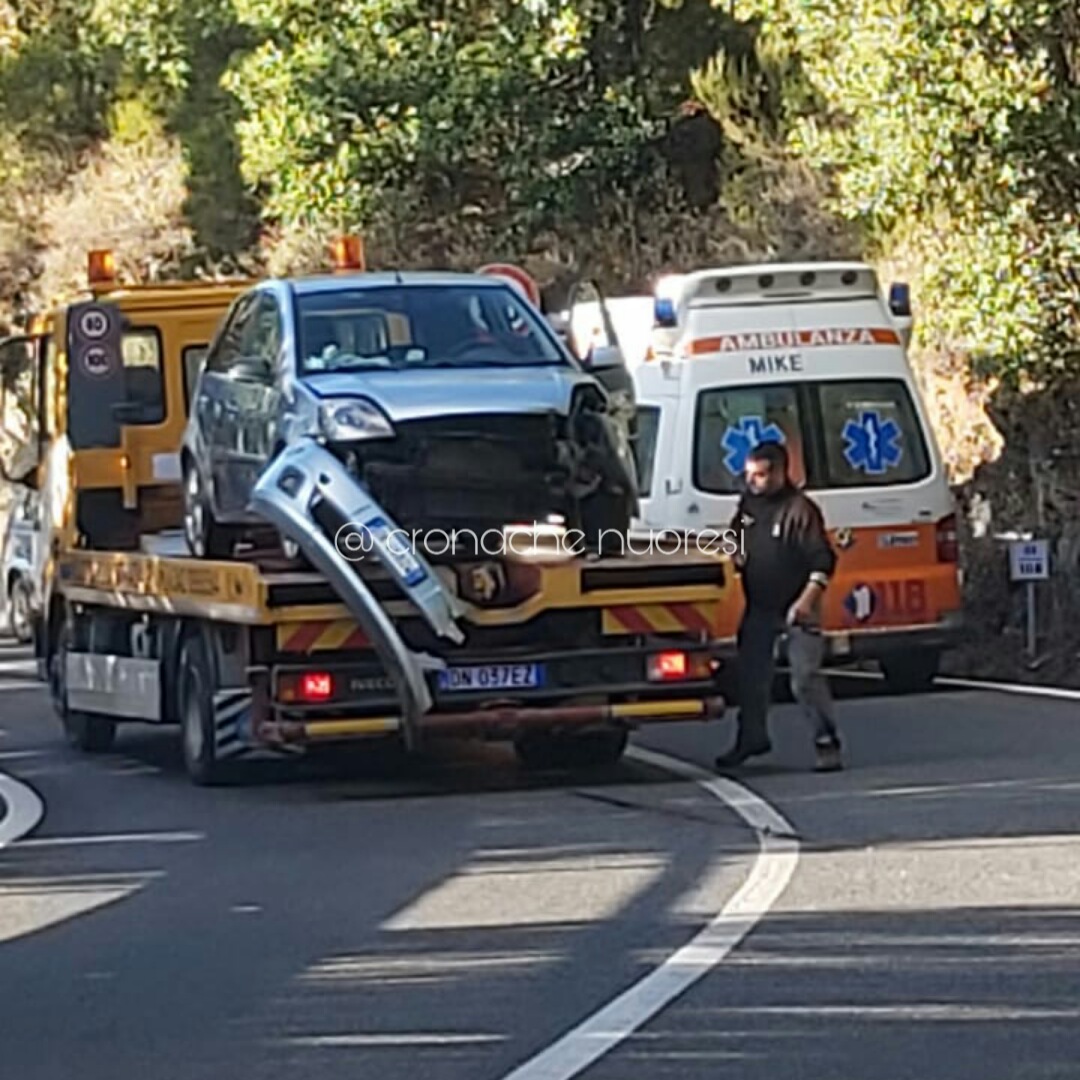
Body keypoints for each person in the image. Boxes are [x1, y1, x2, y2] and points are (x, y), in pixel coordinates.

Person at [716, 440, 844, 772]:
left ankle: (825, 740)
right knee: (751, 676)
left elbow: (823, 561)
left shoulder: (800, 510)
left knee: (804, 677)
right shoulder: (748, 506)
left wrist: (806, 601)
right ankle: (751, 738)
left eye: (760, 475)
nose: (753, 482)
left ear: (779, 472)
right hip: (759, 606)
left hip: (798, 605)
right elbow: (736, 536)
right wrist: (735, 551)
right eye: (749, 476)